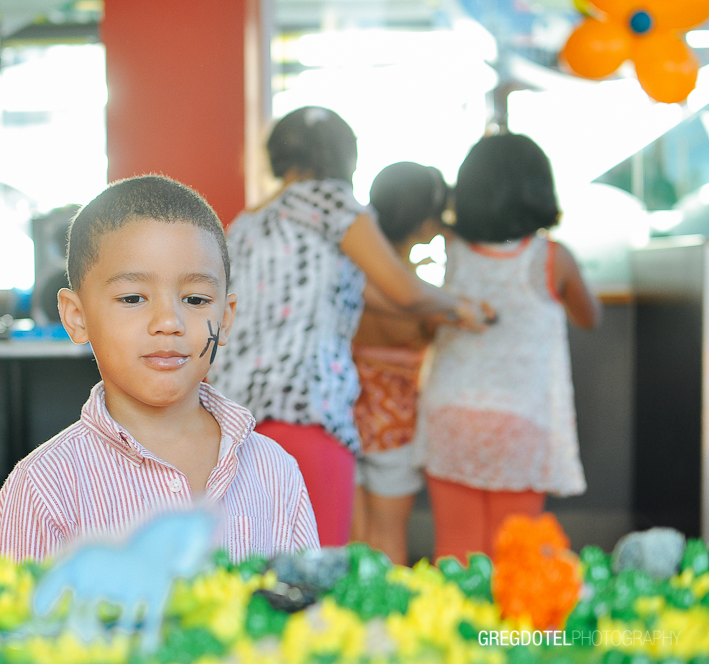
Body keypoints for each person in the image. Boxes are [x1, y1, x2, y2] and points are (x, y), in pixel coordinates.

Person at [0, 175, 320, 561]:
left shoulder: (274, 471)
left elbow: (307, 614)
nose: (169, 320)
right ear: (77, 317)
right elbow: (28, 619)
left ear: (226, 318)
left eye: (196, 299)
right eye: (133, 298)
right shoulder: (44, 488)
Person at [210, 107, 490, 546]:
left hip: (231, 426)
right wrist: (462, 307)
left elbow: (365, 291)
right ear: (347, 158)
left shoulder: (245, 224)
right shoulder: (330, 201)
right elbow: (404, 291)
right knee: (318, 578)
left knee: (253, 575)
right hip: (305, 413)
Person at [412, 133, 601, 562]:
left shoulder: (453, 250)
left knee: (456, 549)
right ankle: (510, 631)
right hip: (520, 422)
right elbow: (590, 317)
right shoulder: (553, 258)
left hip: (451, 415)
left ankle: (450, 628)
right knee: (515, 554)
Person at [350, 162, 447, 564]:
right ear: (426, 224)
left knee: (350, 540)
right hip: (396, 422)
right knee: (390, 538)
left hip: (344, 412)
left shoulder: (351, 276)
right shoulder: (420, 294)